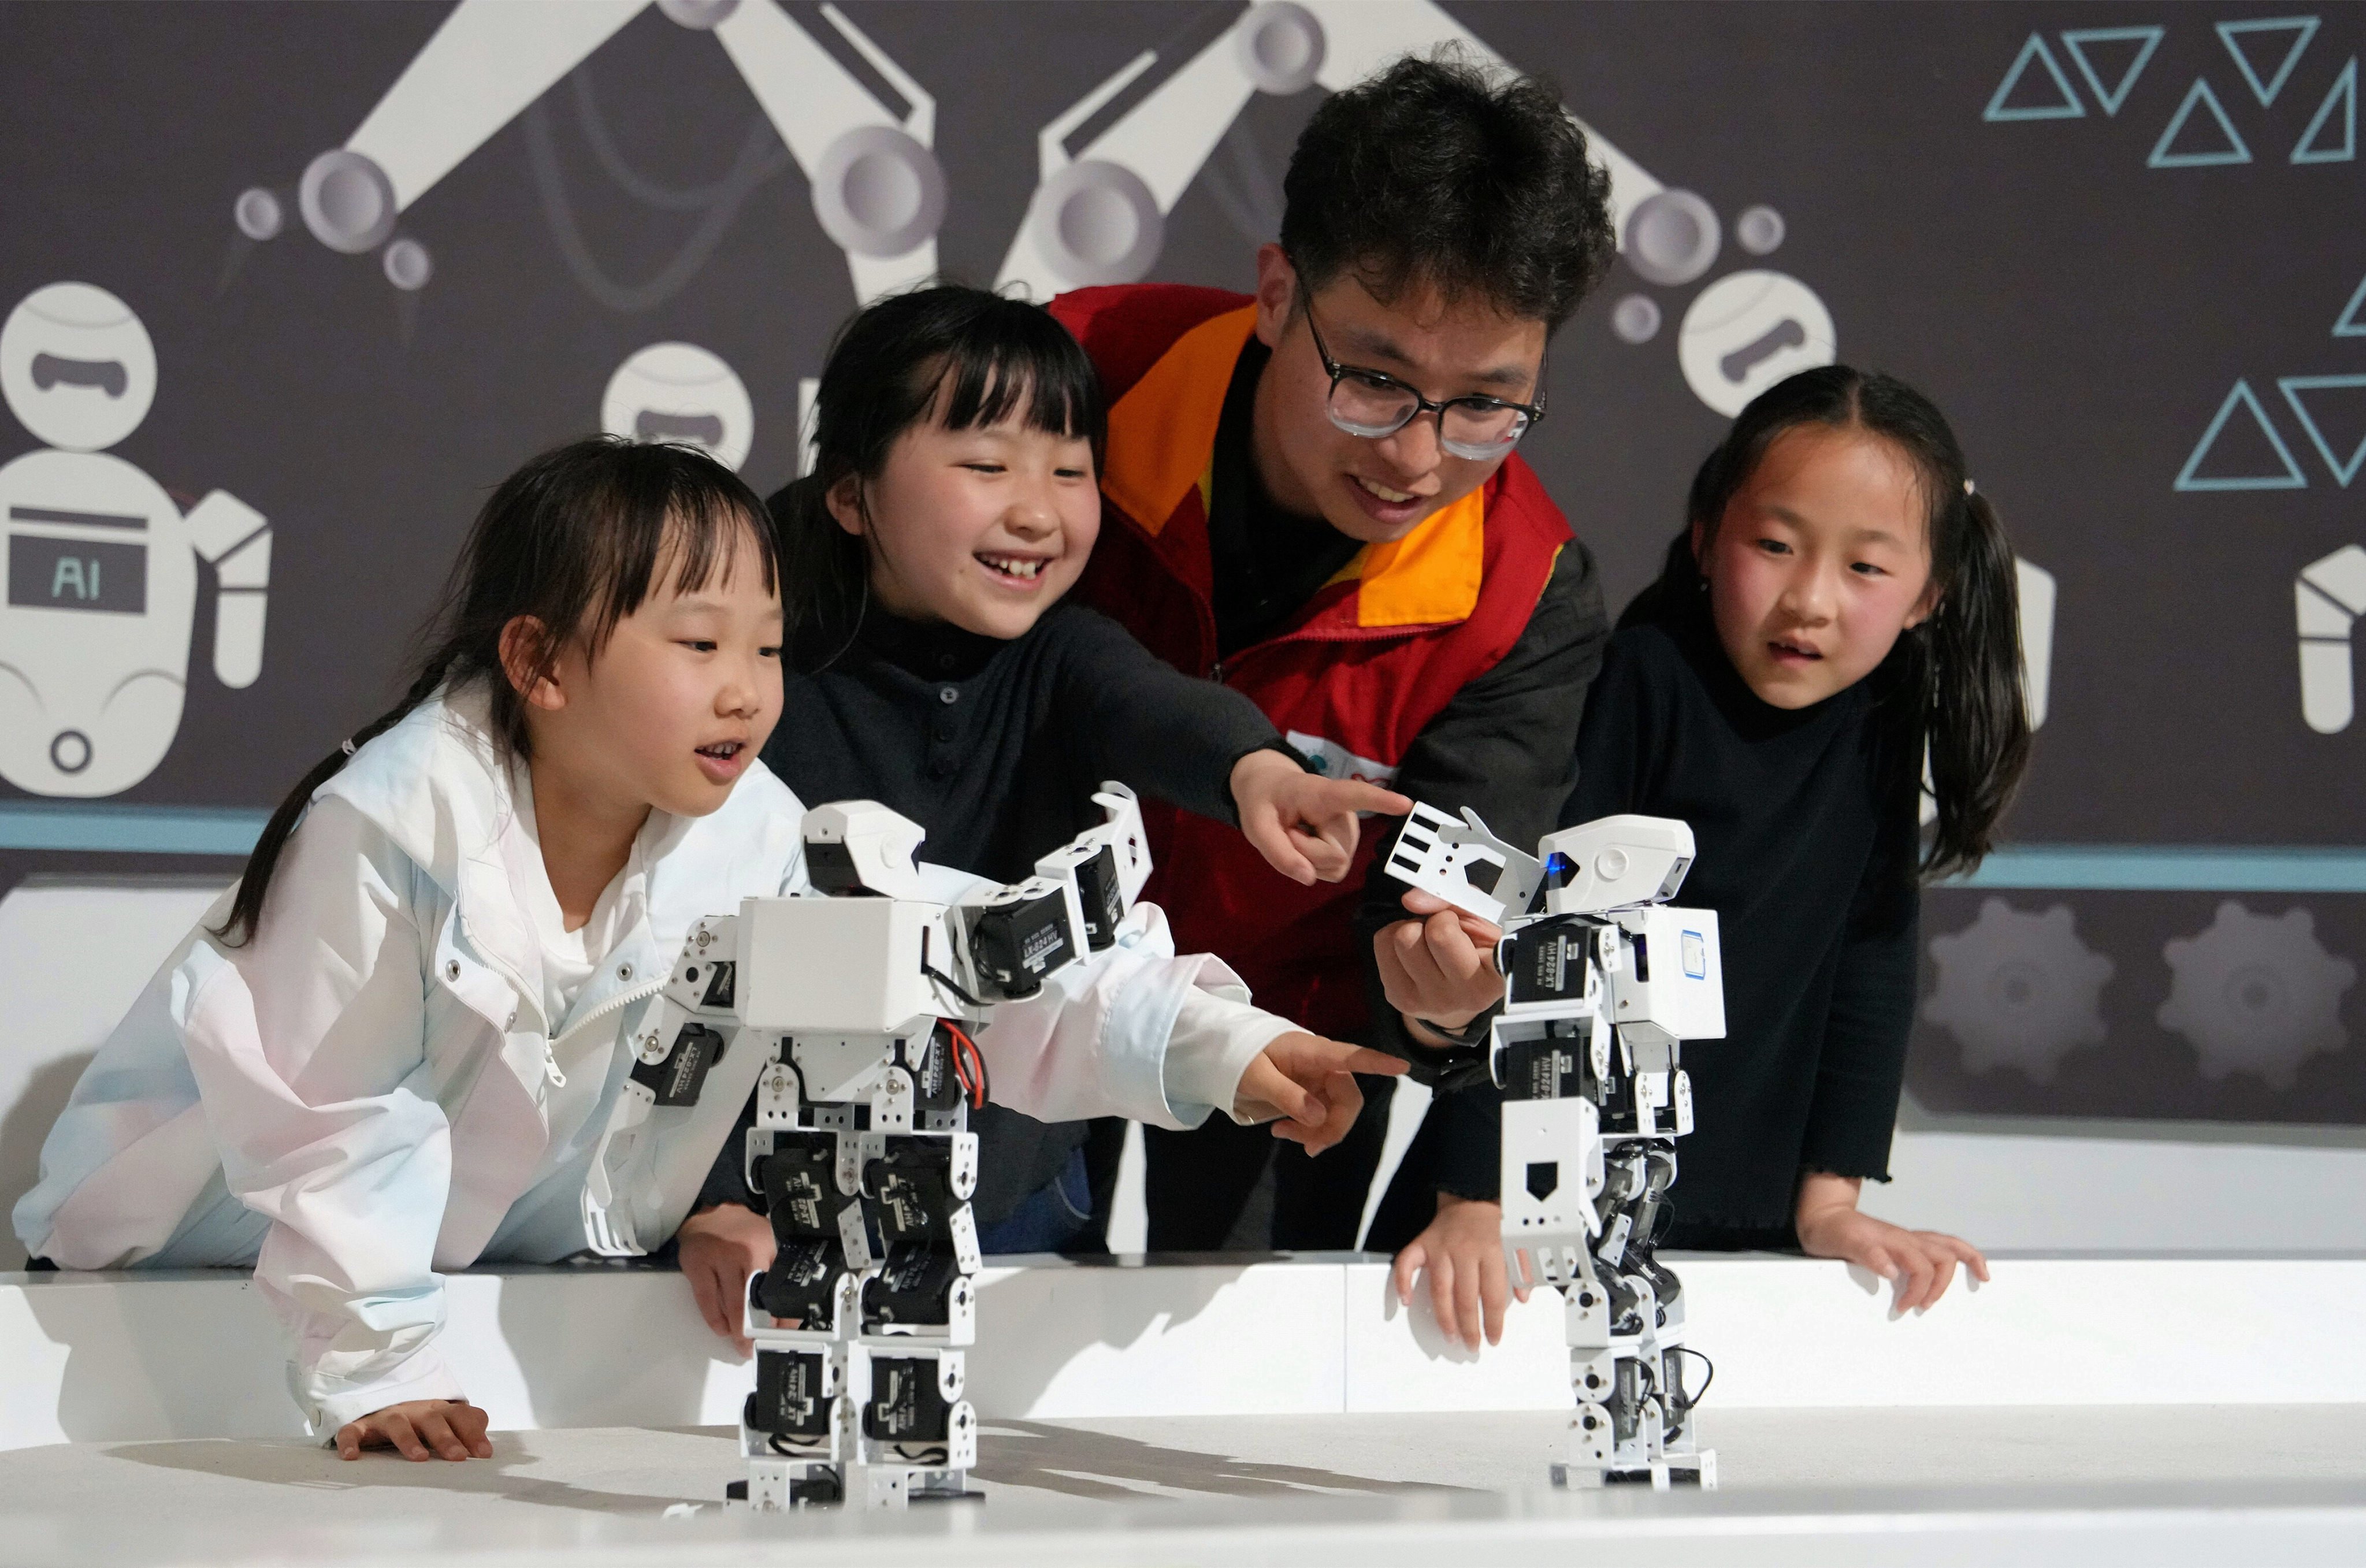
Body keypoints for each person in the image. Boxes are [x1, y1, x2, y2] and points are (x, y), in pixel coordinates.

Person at [13, 437, 1395, 1462]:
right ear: (542, 663)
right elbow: (326, 1113)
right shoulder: (387, 822)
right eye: (696, 641)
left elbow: (950, 960)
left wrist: (1219, 1043)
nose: (745, 690)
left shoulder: (742, 836)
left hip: (485, 1316)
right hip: (178, 1308)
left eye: (770, 646)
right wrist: (370, 1366)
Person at [676, 287, 1413, 1330]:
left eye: (1070, 471)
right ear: (850, 494)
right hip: (764, 1188)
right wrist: (715, 1192)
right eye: (986, 466)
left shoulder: (1064, 655)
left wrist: (1260, 771)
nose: (1038, 510)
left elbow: (1152, 707)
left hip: (1016, 1189)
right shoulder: (762, 673)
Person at [1048, 51, 1616, 1340]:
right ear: (1272, 293)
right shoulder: (1072, 378)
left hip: (1281, 1046)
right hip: (1014, 996)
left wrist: (1431, 994)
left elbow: (1446, 910)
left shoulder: (1520, 592)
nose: (1417, 455)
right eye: (1371, 376)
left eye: (1484, 405)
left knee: (1226, 1388)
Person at [1389, 364, 2026, 1313]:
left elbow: (1869, 956)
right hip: (1515, 1215)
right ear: (1705, 536)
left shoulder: (1887, 712)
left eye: (1865, 567)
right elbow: (1532, 938)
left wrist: (1832, 1201)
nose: (1809, 598)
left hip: (1747, 1221)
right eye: (1775, 544)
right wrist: (1476, 1194)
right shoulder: (1642, 679)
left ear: (1930, 593)